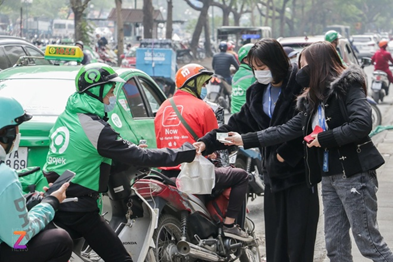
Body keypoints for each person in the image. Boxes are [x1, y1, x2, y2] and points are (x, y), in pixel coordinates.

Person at [220, 41, 393, 262]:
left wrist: (323, 139)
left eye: (304, 66)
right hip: (328, 175)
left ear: (319, 65)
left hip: (353, 173)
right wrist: (245, 139)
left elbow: (361, 124)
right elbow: (288, 129)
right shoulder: (311, 97)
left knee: (368, 243)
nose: (299, 72)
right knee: (335, 246)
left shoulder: (348, 87)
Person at [43, 63, 196, 262]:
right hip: (79, 209)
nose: (113, 96)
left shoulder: (67, 116)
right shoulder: (95, 128)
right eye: (111, 91)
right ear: (97, 91)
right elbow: (140, 156)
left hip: (56, 199)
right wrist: (185, 153)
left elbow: (81, 156)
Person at [194, 39, 320, 262]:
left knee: (298, 244)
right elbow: (237, 127)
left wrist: (283, 155)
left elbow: (302, 129)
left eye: (262, 68)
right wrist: (208, 142)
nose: (259, 73)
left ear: (277, 62)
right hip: (272, 177)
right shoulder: (257, 93)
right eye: (255, 69)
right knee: (275, 244)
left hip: (299, 177)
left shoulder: (300, 88)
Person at [154, 63, 251, 241]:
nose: (205, 87)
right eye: (203, 83)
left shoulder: (162, 108)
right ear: (193, 84)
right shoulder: (203, 108)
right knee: (241, 176)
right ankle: (229, 226)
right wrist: (233, 142)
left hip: (165, 173)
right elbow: (216, 141)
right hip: (193, 173)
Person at [0, 96, 73, 262]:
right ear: (7, 133)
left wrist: (27, 200)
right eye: (17, 128)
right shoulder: (5, 176)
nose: (19, 134)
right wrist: (51, 203)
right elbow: (18, 238)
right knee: (60, 240)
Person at [231, 43, 256, 114]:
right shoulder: (253, 75)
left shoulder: (237, 75)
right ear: (246, 60)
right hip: (247, 119)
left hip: (235, 117)